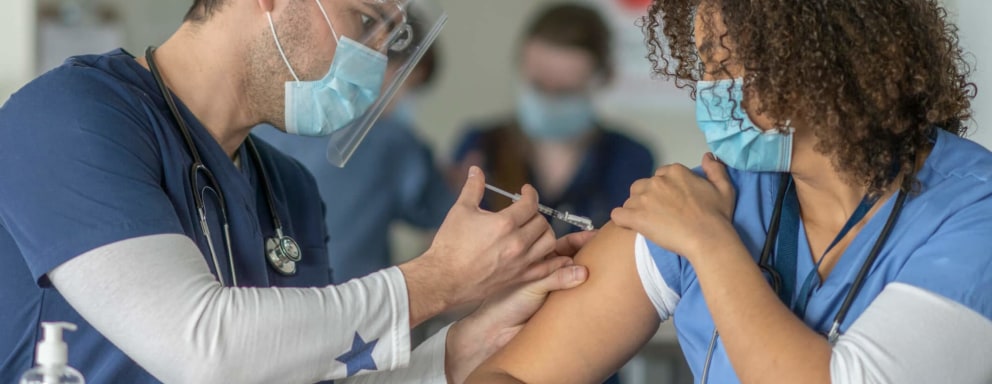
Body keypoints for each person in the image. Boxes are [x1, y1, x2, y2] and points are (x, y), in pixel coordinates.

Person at [0, 0, 595, 383]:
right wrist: (438, 281)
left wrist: (461, 349)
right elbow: (204, 349)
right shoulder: (70, 117)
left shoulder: (288, 189)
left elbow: (309, 373)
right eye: (365, 22)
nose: (373, 60)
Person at [467, 0, 992, 383]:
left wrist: (710, 243)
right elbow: (509, 374)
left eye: (727, 66)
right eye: (707, 68)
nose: (712, 91)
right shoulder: (723, 192)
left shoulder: (971, 212)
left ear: (823, 62)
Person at [254, 35, 453, 283]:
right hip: (353, 307)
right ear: (385, 67)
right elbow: (448, 222)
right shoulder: (394, 144)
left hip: (264, 295)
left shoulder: (275, 119)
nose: (406, 100)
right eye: (409, 86)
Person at [453, 3, 654, 236]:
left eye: (565, 91)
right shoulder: (480, 147)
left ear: (602, 79)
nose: (548, 100)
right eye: (538, 86)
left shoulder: (629, 158)